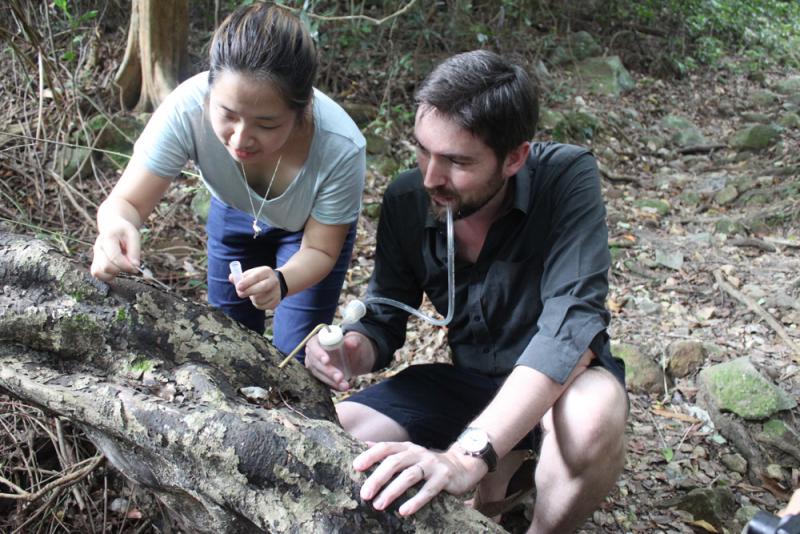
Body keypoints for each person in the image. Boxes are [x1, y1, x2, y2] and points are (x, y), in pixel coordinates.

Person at [304, 50, 628, 533]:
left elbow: (572, 328)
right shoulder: (407, 199)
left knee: (592, 416)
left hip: (560, 390)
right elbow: (385, 316)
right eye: (422, 151)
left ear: (515, 157)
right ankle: (505, 467)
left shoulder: (564, 179)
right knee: (339, 434)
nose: (431, 177)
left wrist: (465, 458)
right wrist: (353, 349)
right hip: (468, 386)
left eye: (457, 161)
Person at [90, 2, 365, 356]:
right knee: (227, 344)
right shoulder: (187, 109)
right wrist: (114, 228)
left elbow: (321, 249)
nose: (240, 138)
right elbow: (125, 203)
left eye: (266, 124)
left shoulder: (340, 147)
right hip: (235, 213)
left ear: (302, 110)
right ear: (210, 91)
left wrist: (282, 281)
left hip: (309, 234)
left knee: (298, 357)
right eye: (227, 114)